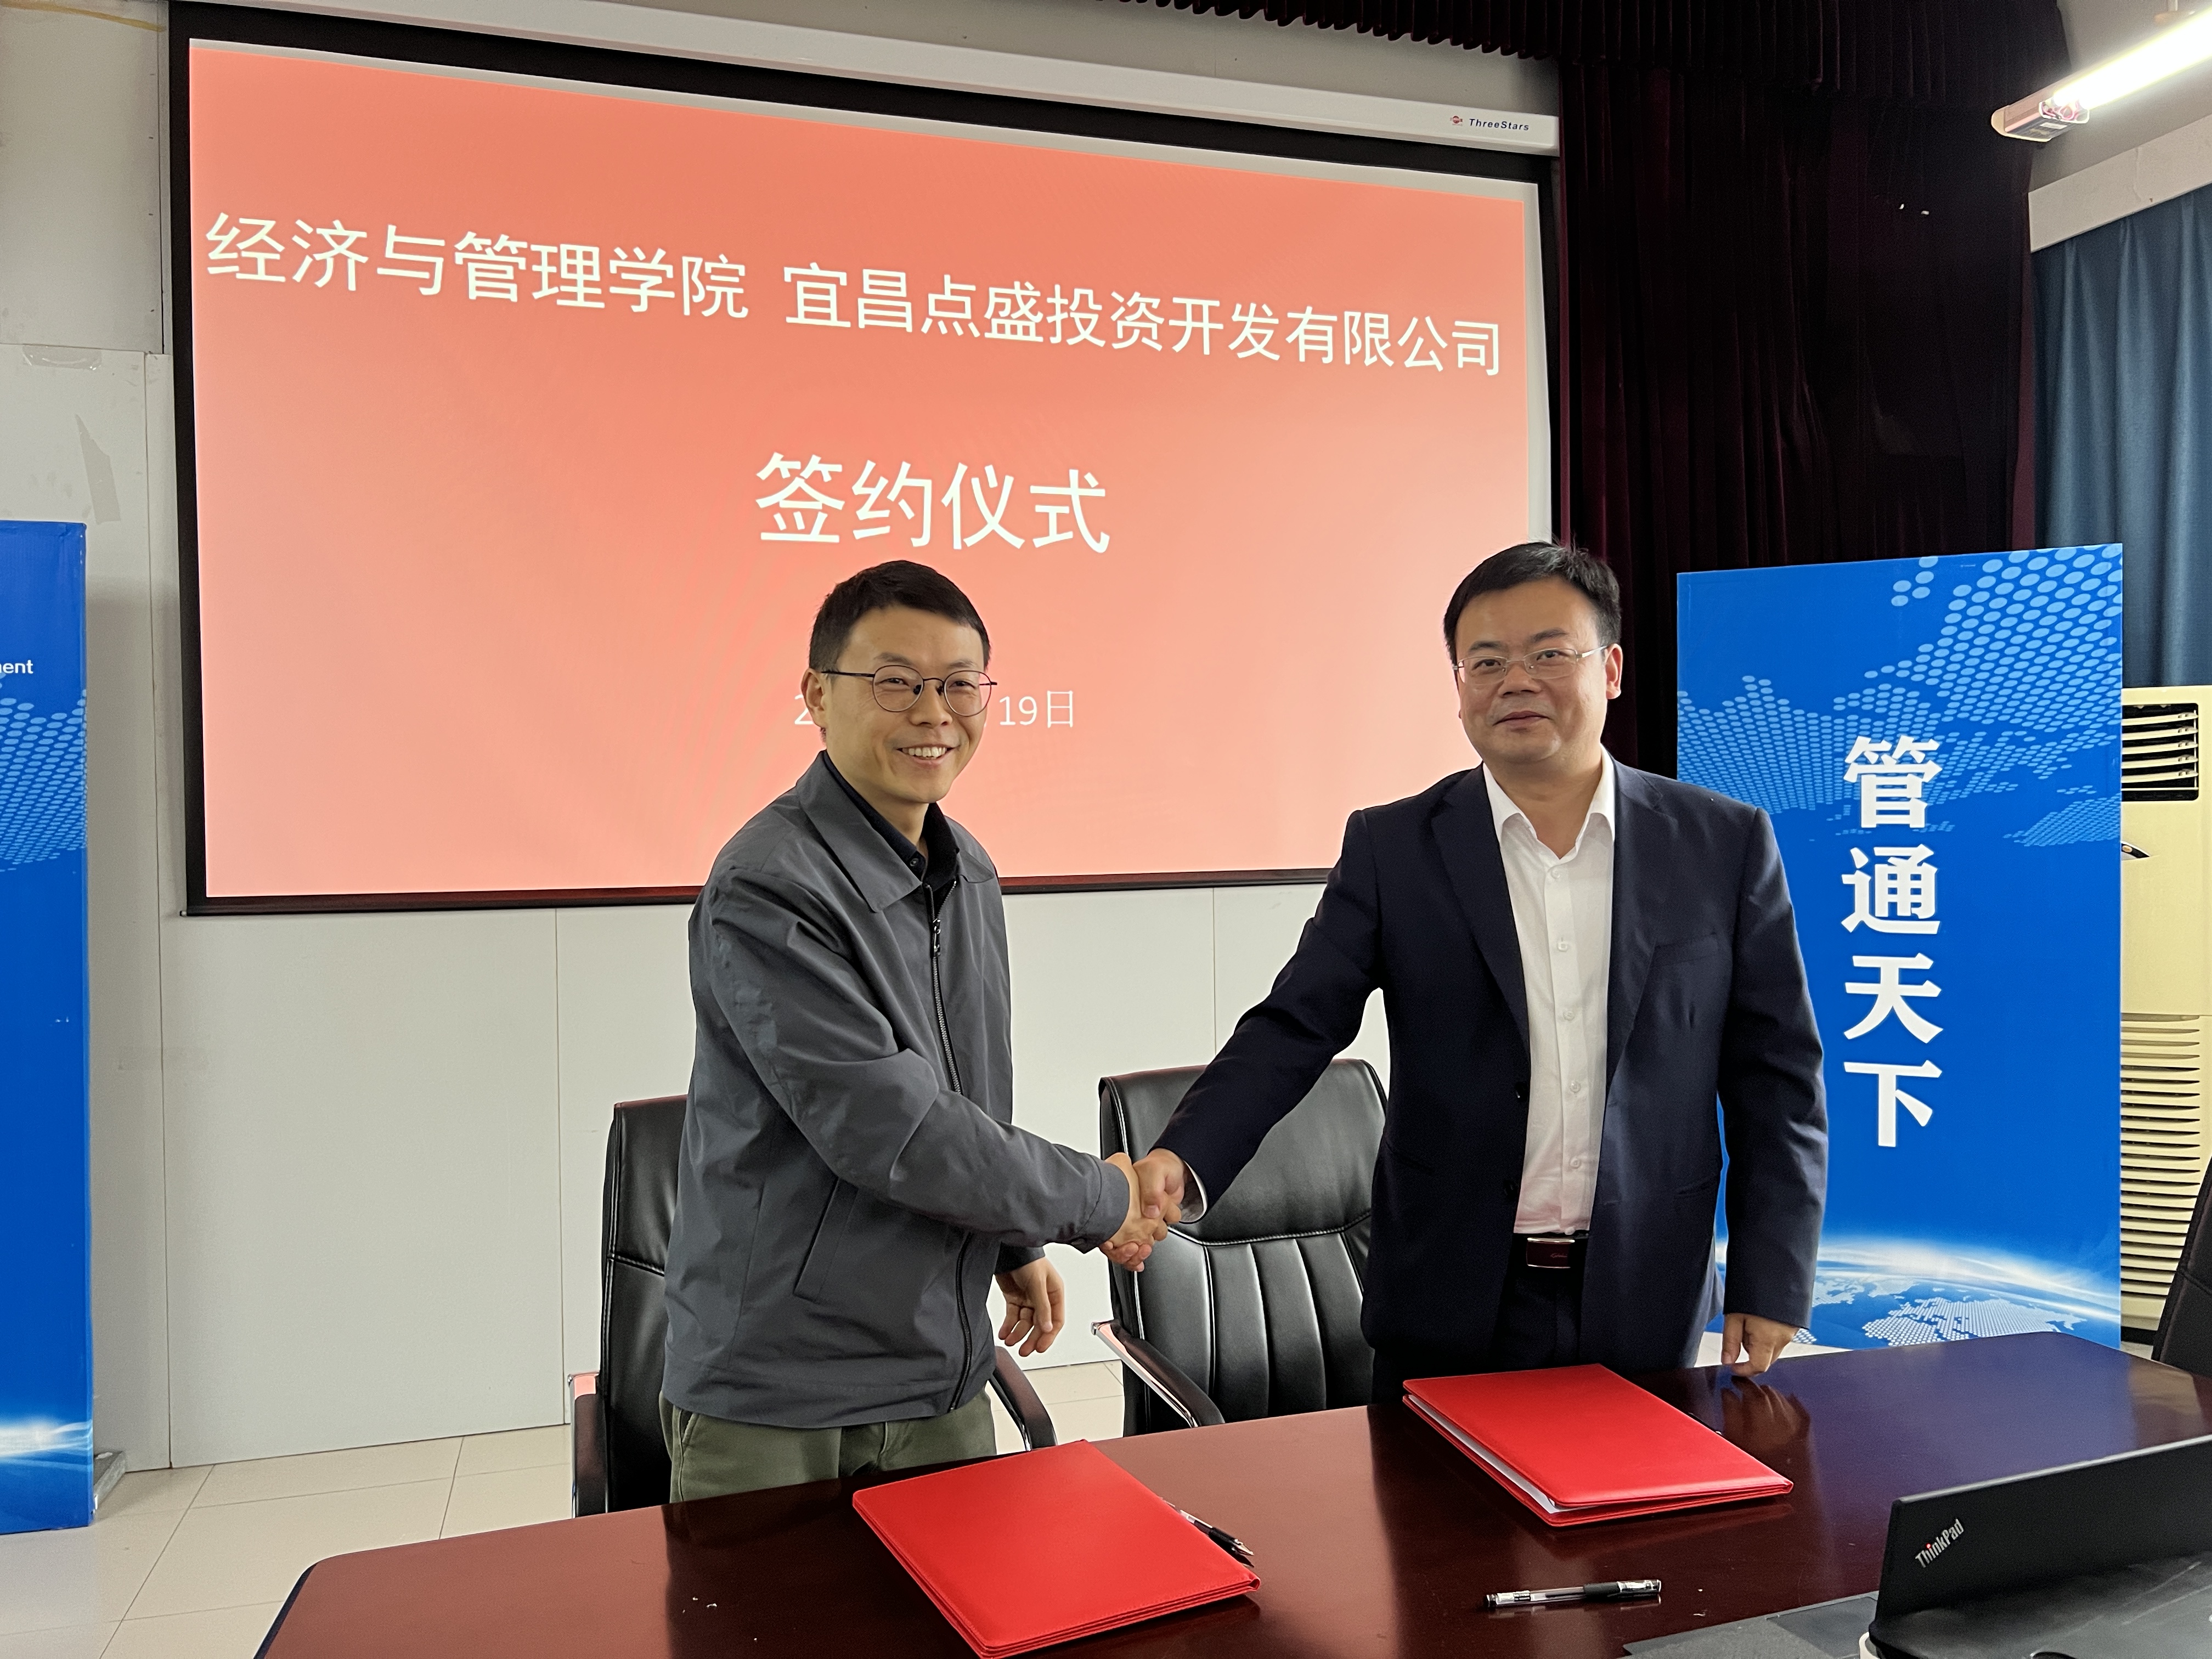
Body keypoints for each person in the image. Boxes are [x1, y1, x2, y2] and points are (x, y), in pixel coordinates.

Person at [1130, 542, 1826, 1397]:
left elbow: (1776, 1075)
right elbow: (1295, 1025)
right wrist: (1185, 1157)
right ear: (1459, 686)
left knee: (1638, 1489)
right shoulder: (1394, 847)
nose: (1516, 681)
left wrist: (1771, 1274)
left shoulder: (1721, 842)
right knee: (1434, 1492)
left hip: (1646, 1288)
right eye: (1486, 662)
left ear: (1610, 670)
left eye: (1548, 654)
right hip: (1447, 1291)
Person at [659, 560, 1169, 1499]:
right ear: (818, 695)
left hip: (939, 1365)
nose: (934, 712)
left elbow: (966, 1095)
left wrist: (1012, 1243)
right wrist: (1102, 1197)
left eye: (959, 684)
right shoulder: (768, 885)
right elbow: (894, 1131)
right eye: (895, 682)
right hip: (783, 1389)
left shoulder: (966, 867)